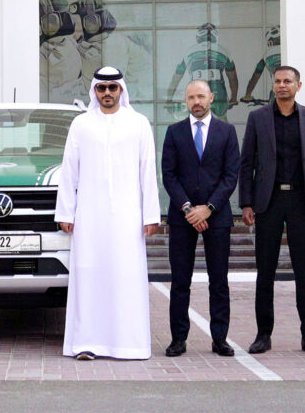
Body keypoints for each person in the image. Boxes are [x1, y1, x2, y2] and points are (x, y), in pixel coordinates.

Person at [55, 67, 160, 360]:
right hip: (89, 216)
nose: (107, 94)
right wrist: (66, 211)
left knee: (125, 276)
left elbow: (147, 171)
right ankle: (86, 343)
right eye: (102, 89)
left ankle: (129, 345)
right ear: (94, 91)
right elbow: (69, 170)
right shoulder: (81, 124)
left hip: (128, 216)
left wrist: (151, 214)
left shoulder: (139, 123)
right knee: (88, 276)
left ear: (122, 90)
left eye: (113, 88)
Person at [239, 65, 305, 355]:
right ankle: (263, 334)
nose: (282, 86)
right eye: (277, 81)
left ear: (298, 86)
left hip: (302, 202)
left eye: (287, 81)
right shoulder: (257, 118)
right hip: (269, 202)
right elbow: (246, 163)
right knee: (265, 270)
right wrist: (247, 203)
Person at [161, 80, 240, 357]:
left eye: (201, 96)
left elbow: (231, 176)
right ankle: (178, 339)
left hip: (216, 217)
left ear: (211, 98)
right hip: (182, 218)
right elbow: (168, 175)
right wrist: (187, 208)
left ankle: (220, 339)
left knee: (219, 280)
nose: (196, 101)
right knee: (180, 281)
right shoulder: (174, 132)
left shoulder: (227, 131)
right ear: (186, 100)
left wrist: (208, 208)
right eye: (191, 97)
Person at [241, 26, 281, 102]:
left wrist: (247, 95)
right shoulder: (290, 52)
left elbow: (255, 77)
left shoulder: (266, 56)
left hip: (276, 93)